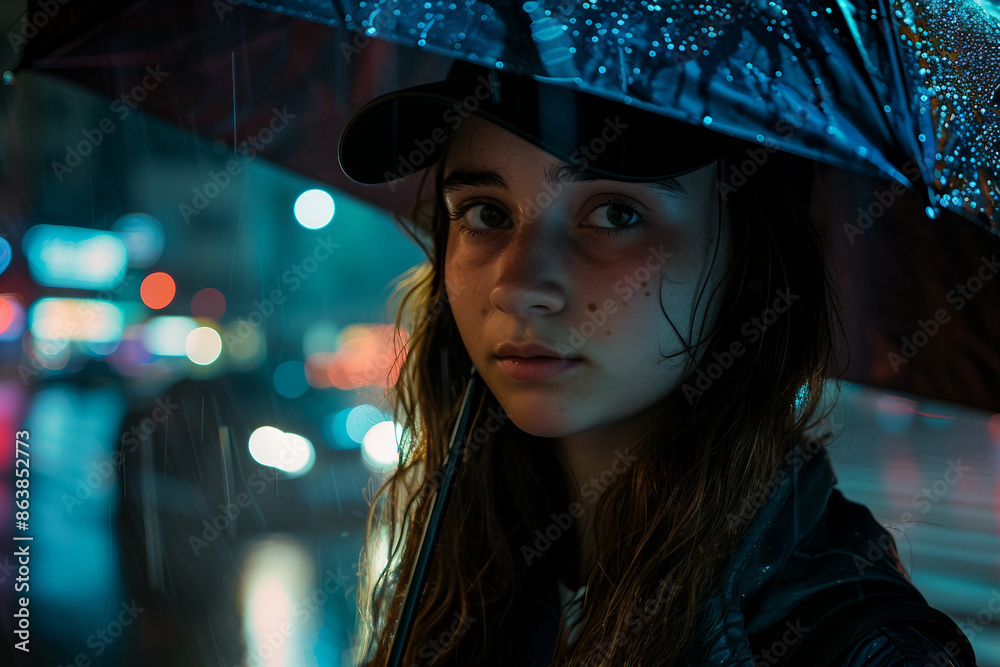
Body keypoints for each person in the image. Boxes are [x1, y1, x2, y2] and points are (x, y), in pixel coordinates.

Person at [337, 61, 978, 666]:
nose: (517, 283)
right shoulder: (455, 578)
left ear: (752, 262)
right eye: (486, 213)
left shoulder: (862, 650)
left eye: (616, 214)